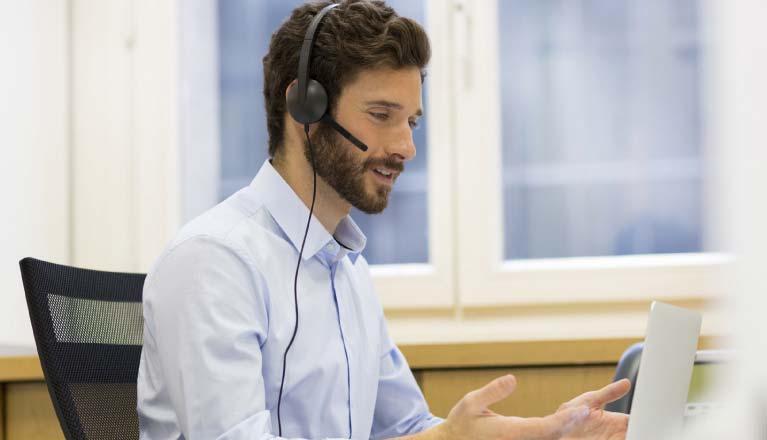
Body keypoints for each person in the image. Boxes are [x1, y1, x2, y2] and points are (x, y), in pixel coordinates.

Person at [137, 1, 631, 439]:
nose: (406, 147)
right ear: (305, 108)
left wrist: (538, 434)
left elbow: (409, 428)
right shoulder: (214, 262)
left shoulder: (346, 269)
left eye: (411, 122)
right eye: (381, 115)